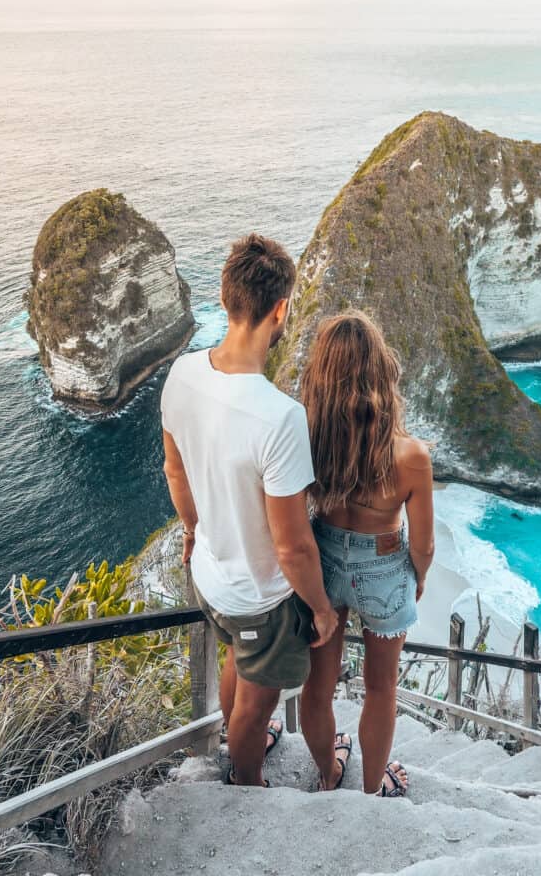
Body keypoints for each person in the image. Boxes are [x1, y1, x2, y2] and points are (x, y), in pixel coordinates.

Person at [161, 233, 338, 787]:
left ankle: (242, 748)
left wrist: (193, 531)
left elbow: (175, 470)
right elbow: (291, 545)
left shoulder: (181, 374)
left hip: (210, 577)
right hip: (259, 598)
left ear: (225, 296)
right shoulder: (280, 417)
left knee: (237, 659)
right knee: (252, 710)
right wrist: (323, 610)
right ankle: (246, 788)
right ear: (281, 309)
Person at [298, 311, 435, 797]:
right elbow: (423, 543)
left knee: (319, 685)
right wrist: (416, 576)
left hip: (323, 559)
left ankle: (328, 773)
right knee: (381, 689)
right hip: (385, 566)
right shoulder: (410, 456)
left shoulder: (307, 442)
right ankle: (373, 790)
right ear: (382, 374)